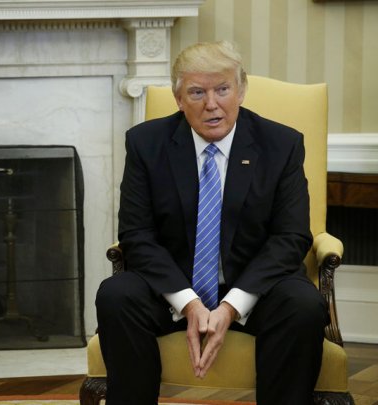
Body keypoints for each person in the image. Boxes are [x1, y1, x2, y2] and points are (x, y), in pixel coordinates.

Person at [95, 41, 329, 405]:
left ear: (241, 90)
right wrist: (189, 303)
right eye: (196, 92)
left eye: (222, 89)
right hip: (172, 287)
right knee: (116, 295)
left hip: (254, 288)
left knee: (303, 304)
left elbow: (291, 237)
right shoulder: (146, 143)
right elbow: (137, 235)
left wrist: (231, 306)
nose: (211, 104)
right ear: (178, 98)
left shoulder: (281, 144)